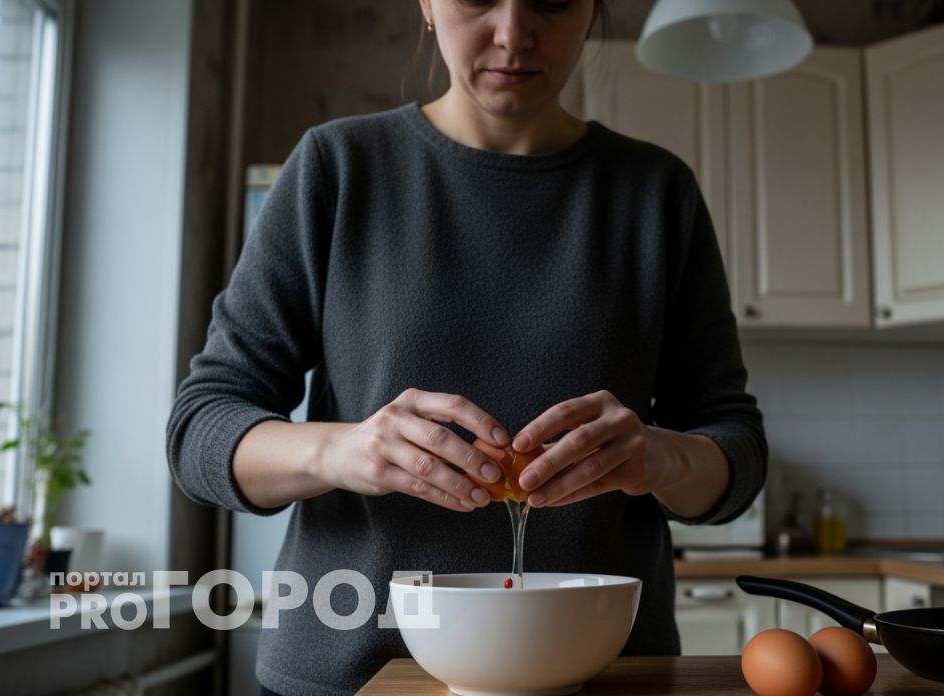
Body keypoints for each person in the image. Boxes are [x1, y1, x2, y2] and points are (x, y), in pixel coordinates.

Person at [166, 0, 767, 693]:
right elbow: (199, 432)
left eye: (553, 0)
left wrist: (659, 456)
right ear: (426, 4)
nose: (514, 33)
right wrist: (343, 449)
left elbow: (737, 453)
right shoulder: (337, 168)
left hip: (603, 672)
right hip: (350, 675)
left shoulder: (656, 193)